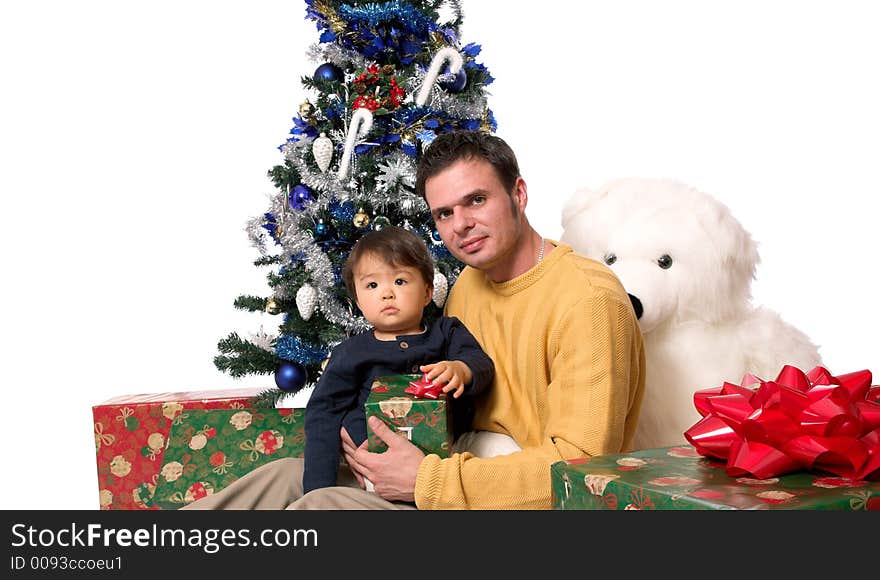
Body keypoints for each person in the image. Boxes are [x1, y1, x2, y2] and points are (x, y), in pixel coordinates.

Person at [183, 130, 644, 510]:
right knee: (284, 478)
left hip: (511, 505)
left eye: (477, 200)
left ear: (518, 194)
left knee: (321, 509)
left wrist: (426, 479)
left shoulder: (587, 300)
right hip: (450, 466)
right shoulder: (467, 285)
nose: (461, 224)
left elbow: (581, 469)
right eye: (444, 213)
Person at [302, 225, 494, 493]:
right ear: (358, 301)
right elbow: (323, 414)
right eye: (372, 285)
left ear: (427, 292)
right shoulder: (351, 352)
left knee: (494, 453)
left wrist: (462, 369)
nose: (386, 293)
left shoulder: (446, 332)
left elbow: (481, 363)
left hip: (446, 455)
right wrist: (318, 488)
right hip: (376, 462)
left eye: (400, 281)